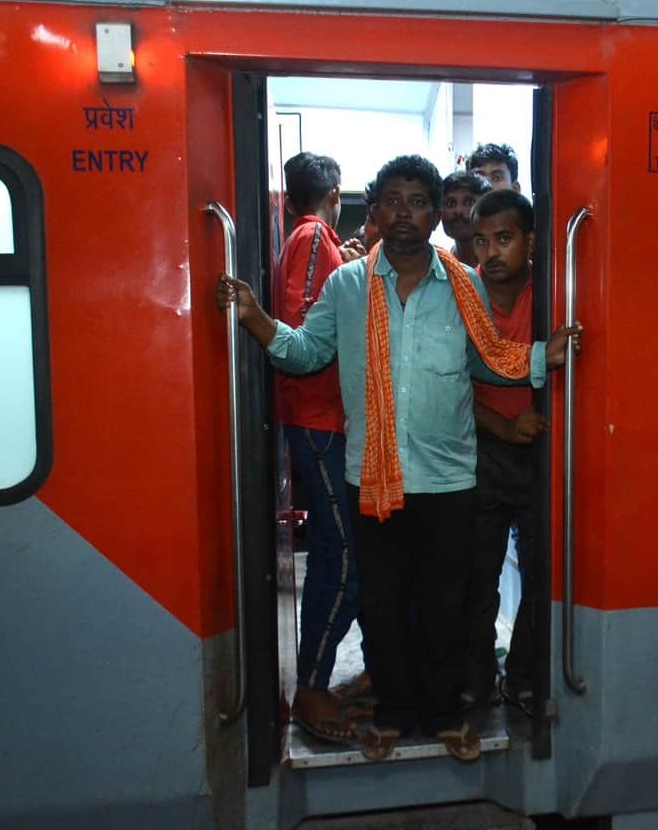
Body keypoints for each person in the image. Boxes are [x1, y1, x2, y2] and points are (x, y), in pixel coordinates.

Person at [216, 154, 581, 763]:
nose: (403, 213)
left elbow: (492, 356)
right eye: (391, 200)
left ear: (438, 215)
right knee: (383, 605)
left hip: (449, 479)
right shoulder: (347, 285)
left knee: (445, 605)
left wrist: (547, 355)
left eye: (417, 202)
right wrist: (258, 322)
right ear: (374, 208)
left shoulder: (463, 284)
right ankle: (393, 713)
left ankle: (442, 716)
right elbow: (307, 352)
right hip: (373, 477)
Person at [273, 152, 367, 746]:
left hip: (327, 419)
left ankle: (315, 678)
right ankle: (310, 686)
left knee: (339, 555)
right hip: (319, 419)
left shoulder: (318, 239)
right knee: (344, 560)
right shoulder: (311, 237)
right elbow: (306, 323)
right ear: (333, 192)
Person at [464, 190, 546, 714]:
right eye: (481, 241)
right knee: (476, 576)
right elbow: (449, 381)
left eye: (503, 239)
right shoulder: (463, 297)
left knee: (542, 575)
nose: (491, 253)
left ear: (530, 242)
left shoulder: (555, 293)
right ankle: (475, 678)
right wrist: (502, 424)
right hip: (482, 449)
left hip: (541, 452)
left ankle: (521, 677)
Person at [441, 170, 491, 268]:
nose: (458, 211)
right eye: (450, 204)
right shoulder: (438, 267)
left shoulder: (502, 263)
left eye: (469, 203)